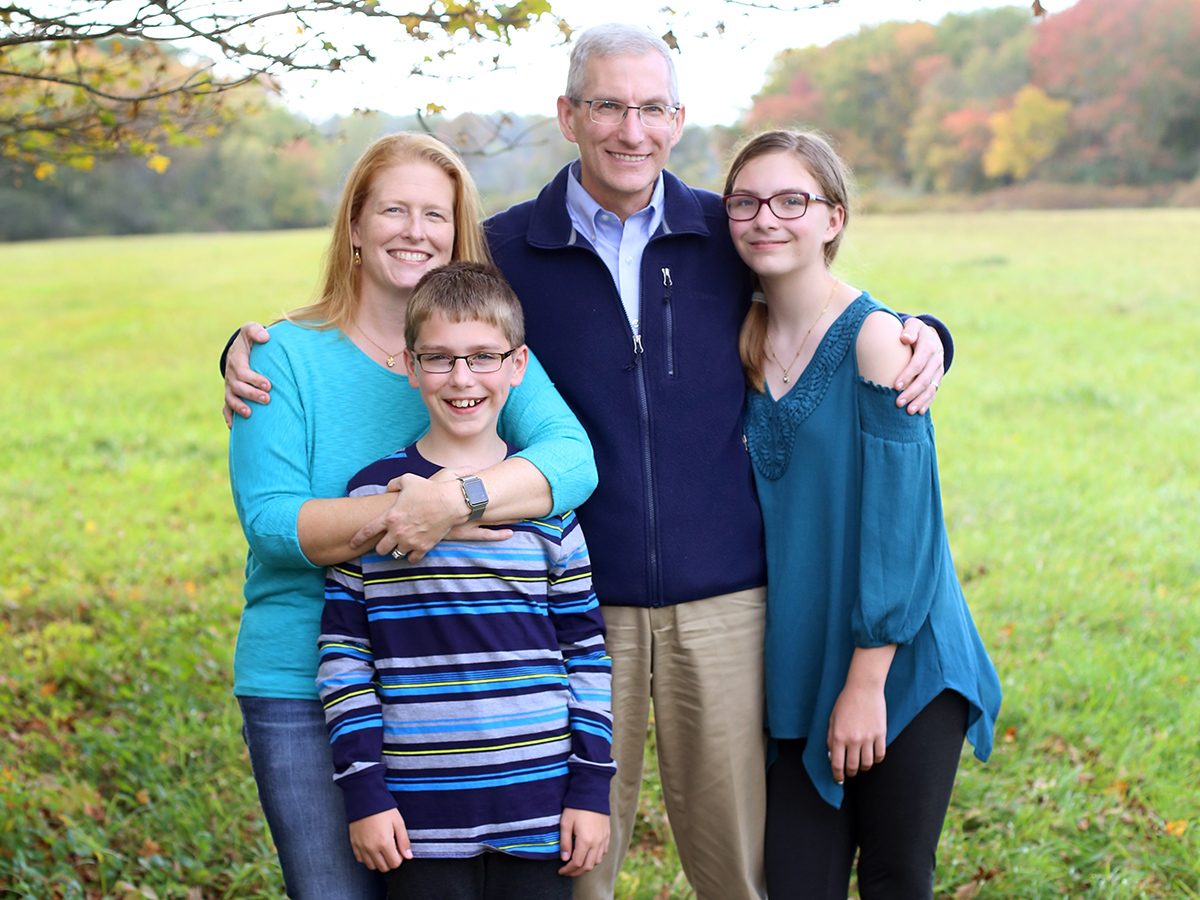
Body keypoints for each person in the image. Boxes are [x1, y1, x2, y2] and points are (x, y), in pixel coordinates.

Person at [223, 25, 951, 900]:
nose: (630, 129)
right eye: (607, 104)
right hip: (574, 599)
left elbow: (814, 290)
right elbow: (409, 354)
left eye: (651, 108)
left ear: (678, 119)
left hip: (722, 599)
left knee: (738, 869)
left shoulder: (725, 231)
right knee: (574, 869)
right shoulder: (502, 253)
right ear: (569, 114)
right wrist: (245, 352)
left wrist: (923, 333)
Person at [227, 134, 598, 900]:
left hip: (452, 698)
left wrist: (453, 500)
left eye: (436, 213)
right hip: (307, 674)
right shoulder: (280, 356)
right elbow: (272, 524)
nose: (414, 230)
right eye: (393, 209)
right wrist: (408, 510)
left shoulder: (465, 353)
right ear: (355, 226)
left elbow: (573, 462)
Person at [724, 129, 1001, 899]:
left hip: (898, 656)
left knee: (894, 877)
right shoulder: (737, 337)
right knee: (795, 880)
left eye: (791, 200)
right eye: (745, 202)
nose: (765, 218)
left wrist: (866, 682)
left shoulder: (881, 341)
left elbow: (901, 526)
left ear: (833, 218)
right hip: (797, 658)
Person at [317, 262, 614, 900]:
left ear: (518, 364)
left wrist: (591, 790)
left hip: (541, 809)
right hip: (418, 818)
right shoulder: (373, 497)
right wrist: (364, 790)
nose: (461, 379)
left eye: (483, 357)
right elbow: (344, 656)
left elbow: (586, 656)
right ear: (409, 363)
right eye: (440, 359)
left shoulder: (543, 502)